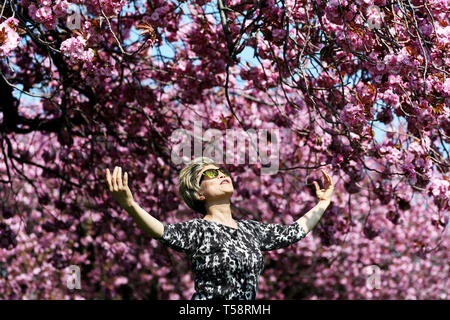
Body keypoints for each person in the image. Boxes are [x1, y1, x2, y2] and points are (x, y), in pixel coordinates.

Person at [105, 157, 334, 300]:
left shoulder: (250, 230)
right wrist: (130, 205)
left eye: (223, 171)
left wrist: (322, 203)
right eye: (211, 174)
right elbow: (161, 231)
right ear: (199, 193)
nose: (222, 175)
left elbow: (293, 231)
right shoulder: (198, 229)